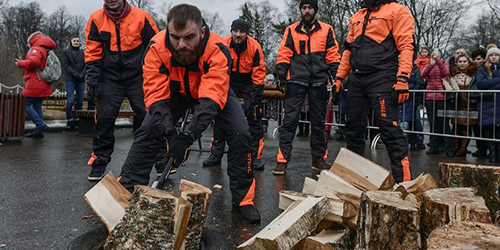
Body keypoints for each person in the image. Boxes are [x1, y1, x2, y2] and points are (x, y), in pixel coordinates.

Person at [117, 4, 261, 223]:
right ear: (168, 31)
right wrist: (169, 134)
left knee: (241, 132)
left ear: (202, 32)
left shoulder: (218, 48)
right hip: (175, 92)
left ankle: (243, 201)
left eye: (189, 37)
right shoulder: (156, 46)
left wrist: (187, 137)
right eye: (175, 37)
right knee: (147, 131)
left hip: (213, 92)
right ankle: (126, 190)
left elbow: (211, 98)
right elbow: (155, 96)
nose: (181, 44)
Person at [333, 0, 414, 183]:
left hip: (383, 77)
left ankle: (405, 183)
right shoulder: (357, 16)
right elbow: (348, 50)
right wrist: (339, 77)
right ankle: (355, 179)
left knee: (389, 129)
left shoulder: (398, 10)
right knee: (352, 128)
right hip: (357, 78)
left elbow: (406, 46)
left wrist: (402, 78)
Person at [84, 0, 159, 180]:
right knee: (104, 117)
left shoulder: (141, 17)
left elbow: (157, 45)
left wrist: (156, 73)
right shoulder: (96, 19)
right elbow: (93, 51)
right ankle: (99, 160)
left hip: (138, 75)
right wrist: (92, 78)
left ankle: (162, 159)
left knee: (151, 114)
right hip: (110, 77)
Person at [274, 0, 341, 175]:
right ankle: (282, 160)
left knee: (319, 123)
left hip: (319, 81)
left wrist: (337, 75)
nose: (307, 11)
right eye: (304, 8)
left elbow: (333, 54)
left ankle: (318, 159)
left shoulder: (327, 30)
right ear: (300, 10)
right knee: (289, 121)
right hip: (296, 80)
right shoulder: (291, 30)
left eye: (310, 8)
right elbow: (284, 52)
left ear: (315, 10)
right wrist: (281, 72)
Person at [203, 18, 266, 170]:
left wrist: (253, 100)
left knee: (254, 118)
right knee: (220, 118)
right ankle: (215, 154)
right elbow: (216, 68)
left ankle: (255, 156)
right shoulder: (223, 44)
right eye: (235, 31)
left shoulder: (255, 47)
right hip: (229, 79)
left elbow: (259, 75)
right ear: (231, 32)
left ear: (247, 33)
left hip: (248, 81)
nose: (238, 34)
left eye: (242, 32)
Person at [15, 31, 55, 138]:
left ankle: (40, 124)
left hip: (35, 82)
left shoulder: (36, 49)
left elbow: (33, 62)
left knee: (25, 105)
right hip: (43, 82)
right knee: (37, 106)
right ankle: (39, 131)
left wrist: (20, 63)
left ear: (32, 40)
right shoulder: (45, 49)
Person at [422, 48, 453, 157]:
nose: (435, 55)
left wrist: (439, 62)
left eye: (438, 53)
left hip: (442, 97)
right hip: (430, 97)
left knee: (444, 124)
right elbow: (423, 75)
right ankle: (433, 147)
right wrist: (431, 64)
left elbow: (445, 73)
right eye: (434, 54)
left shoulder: (444, 63)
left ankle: (449, 149)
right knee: (433, 123)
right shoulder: (428, 64)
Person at [448, 54, 477, 156]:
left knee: (466, 127)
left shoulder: (473, 73)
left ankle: (463, 148)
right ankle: (455, 146)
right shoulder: (453, 74)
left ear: (468, 63)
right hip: (456, 103)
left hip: (469, 104)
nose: (462, 64)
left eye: (465, 61)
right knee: (456, 127)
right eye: (460, 61)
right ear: (456, 63)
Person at [476, 47, 500, 162]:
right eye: (491, 55)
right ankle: (492, 152)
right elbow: (481, 84)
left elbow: (486, 84)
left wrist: (489, 83)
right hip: (486, 103)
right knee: (488, 129)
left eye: (496, 55)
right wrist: (498, 80)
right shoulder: (482, 69)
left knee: (498, 130)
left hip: (498, 103)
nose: (494, 57)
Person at [400, 63, 426, 150]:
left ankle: (416, 141)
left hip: (413, 99)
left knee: (415, 121)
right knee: (403, 121)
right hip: (401, 98)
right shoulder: (396, 67)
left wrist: (412, 92)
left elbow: (420, 82)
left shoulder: (415, 69)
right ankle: (403, 142)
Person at [62, 35, 85, 129]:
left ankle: (77, 117)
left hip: (81, 79)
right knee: (70, 100)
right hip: (70, 79)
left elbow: (87, 64)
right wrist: (75, 74)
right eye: (74, 41)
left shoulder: (83, 53)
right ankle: (69, 118)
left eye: (78, 41)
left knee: (80, 100)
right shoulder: (66, 52)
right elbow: (66, 65)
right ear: (71, 42)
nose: (76, 42)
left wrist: (82, 74)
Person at [470, 48, 488, 157]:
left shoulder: (487, 70)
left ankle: (489, 150)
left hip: (484, 101)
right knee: (476, 127)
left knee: (486, 128)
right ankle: (480, 149)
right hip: (476, 101)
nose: (477, 61)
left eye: (479, 59)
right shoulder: (474, 70)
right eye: (474, 59)